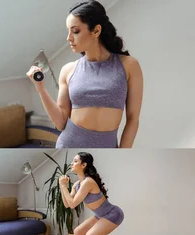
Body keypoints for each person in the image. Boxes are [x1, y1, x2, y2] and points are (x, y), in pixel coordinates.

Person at [27, 0, 143, 148]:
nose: (68, 37)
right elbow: (60, 122)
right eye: (68, 31)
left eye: (75, 31)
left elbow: (133, 119)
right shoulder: (68, 70)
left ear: (96, 31)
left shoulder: (129, 65)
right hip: (69, 144)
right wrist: (40, 88)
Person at [60, 152, 123, 235]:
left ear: (83, 165)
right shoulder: (77, 184)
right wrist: (62, 186)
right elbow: (67, 204)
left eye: (75, 161)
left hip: (112, 214)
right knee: (78, 232)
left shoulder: (88, 182)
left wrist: (64, 186)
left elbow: (72, 204)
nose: (72, 163)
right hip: (100, 214)